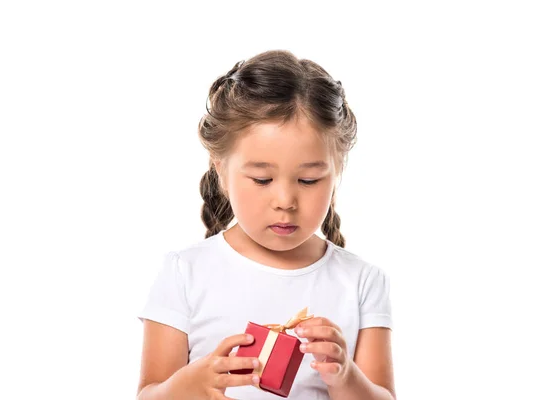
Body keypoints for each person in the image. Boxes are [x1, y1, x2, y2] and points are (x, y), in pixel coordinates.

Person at [136, 49, 396, 400]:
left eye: (308, 180)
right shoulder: (185, 273)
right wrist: (190, 385)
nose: (285, 201)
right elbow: (150, 394)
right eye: (261, 179)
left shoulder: (362, 282)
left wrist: (345, 376)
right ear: (221, 171)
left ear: (337, 173)